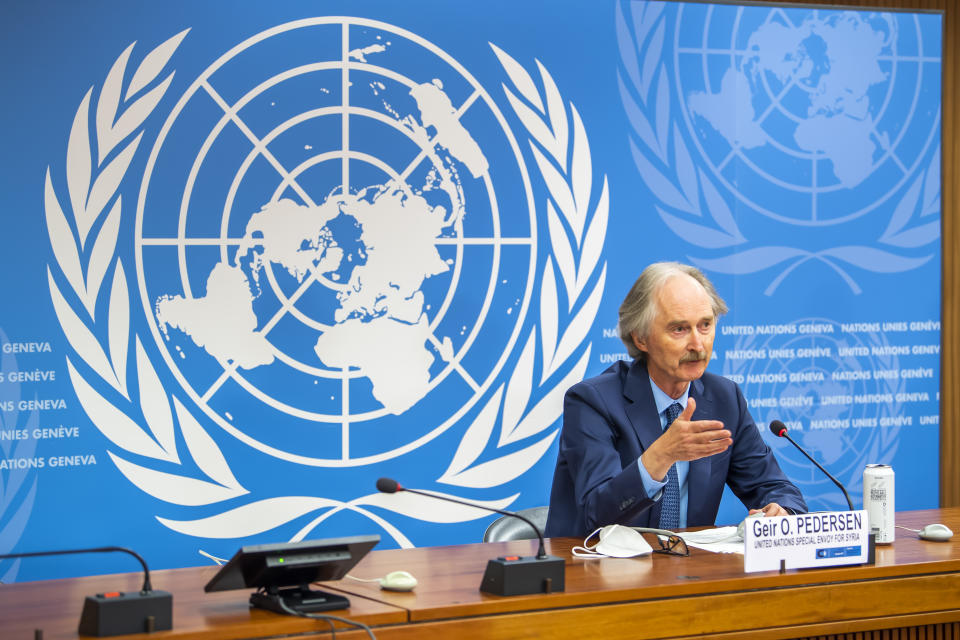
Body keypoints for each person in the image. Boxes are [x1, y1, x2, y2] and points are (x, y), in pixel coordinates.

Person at [544, 262, 806, 537]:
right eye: (679, 329)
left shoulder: (725, 398)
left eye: (705, 325)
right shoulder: (593, 402)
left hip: (687, 572)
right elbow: (597, 513)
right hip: (597, 570)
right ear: (641, 338)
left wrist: (782, 511)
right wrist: (662, 455)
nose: (697, 344)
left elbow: (776, 487)